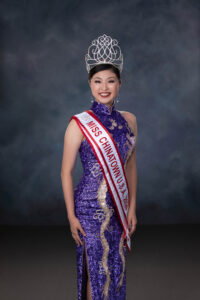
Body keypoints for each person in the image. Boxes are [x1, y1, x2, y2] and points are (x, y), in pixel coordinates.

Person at [61, 34, 138, 300]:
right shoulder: (79, 124)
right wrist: (71, 216)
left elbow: (130, 166)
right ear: (90, 84)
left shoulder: (129, 120)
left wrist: (132, 208)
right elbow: (66, 172)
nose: (104, 87)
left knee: (116, 271)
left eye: (110, 81)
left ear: (119, 83)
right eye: (97, 81)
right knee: (96, 271)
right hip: (87, 210)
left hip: (117, 209)